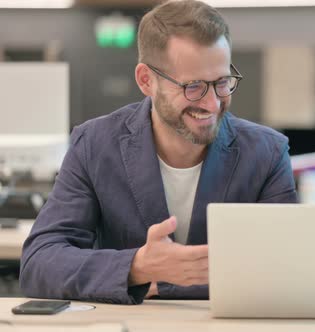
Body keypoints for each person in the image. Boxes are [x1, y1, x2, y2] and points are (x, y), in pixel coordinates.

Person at [20, 0, 297, 304]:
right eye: (193, 87)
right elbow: (39, 263)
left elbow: (287, 271)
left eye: (221, 83)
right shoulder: (95, 145)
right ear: (146, 80)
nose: (212, 103)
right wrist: (136, 268)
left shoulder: (267, 153)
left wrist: (163, 283)